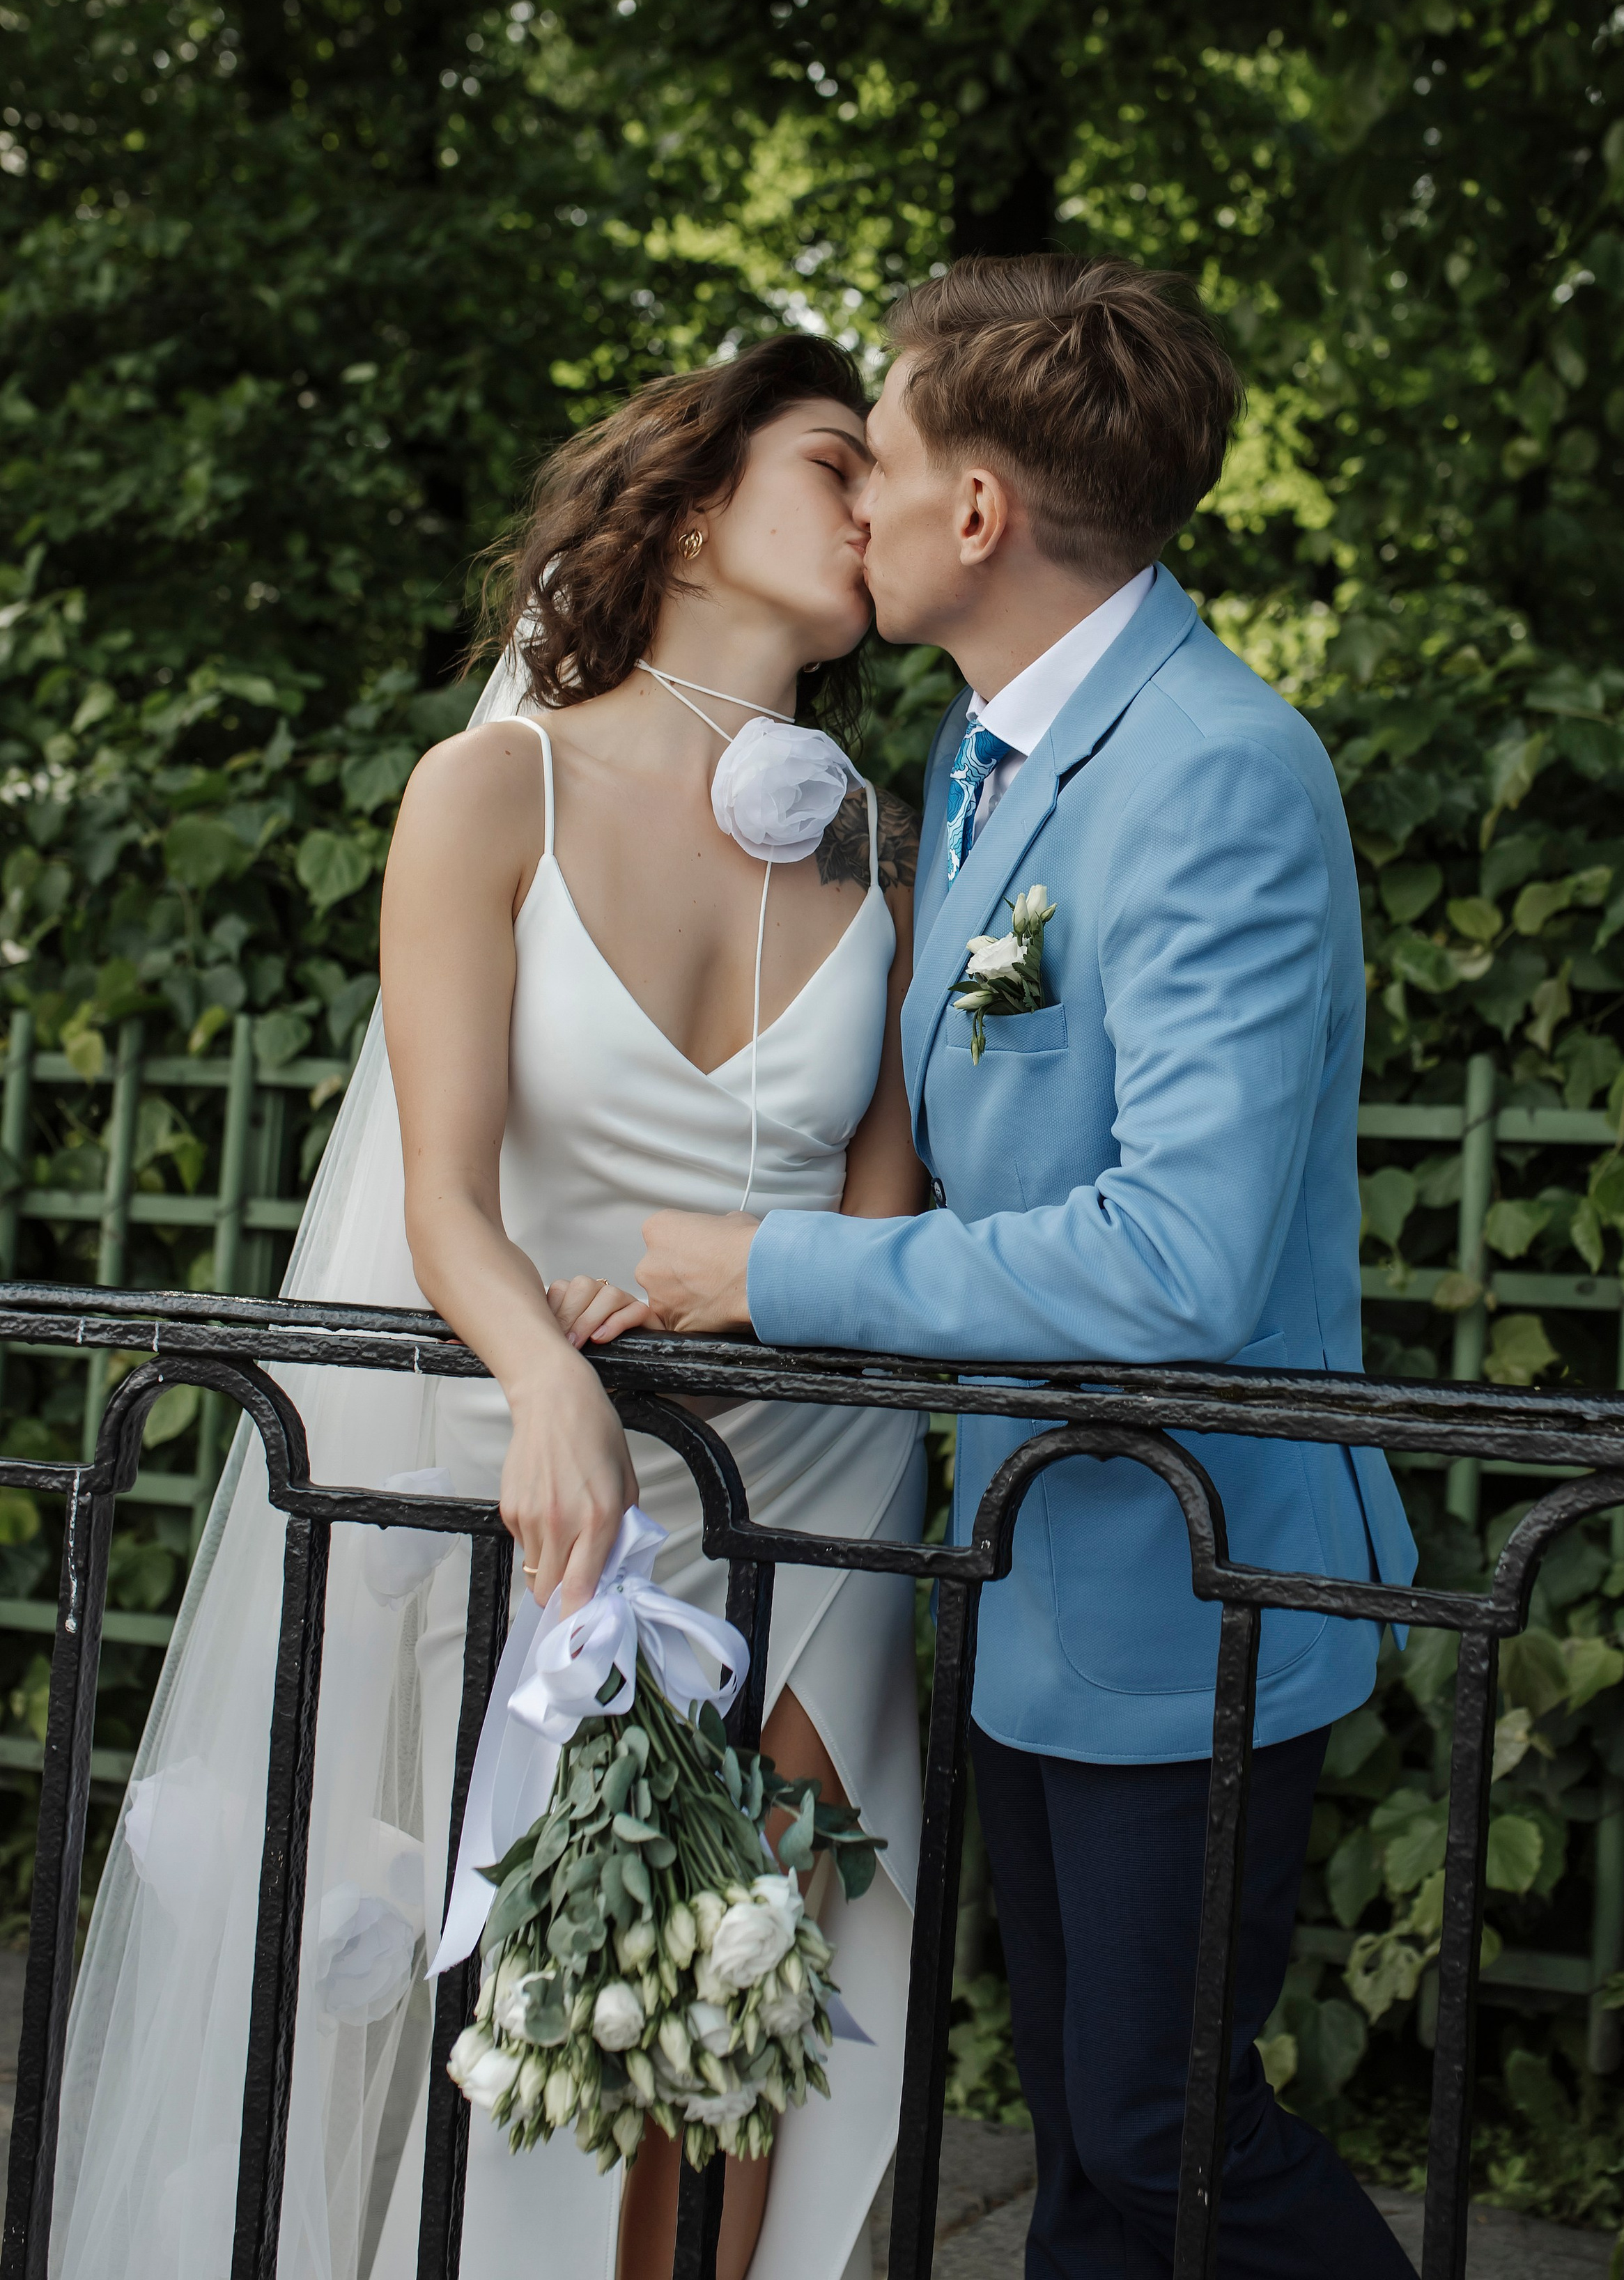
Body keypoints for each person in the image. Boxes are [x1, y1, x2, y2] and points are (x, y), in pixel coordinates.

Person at [49, 336, 929, 2280]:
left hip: (821, 1471)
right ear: (698, 503)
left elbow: (883, 1215)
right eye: (830, 460)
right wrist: (544, 1372)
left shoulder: (877, 834)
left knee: (758, 1993)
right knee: (526, 2011)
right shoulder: (488, 789)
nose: (878, 498)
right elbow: (440, 1193)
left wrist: (755, 1309)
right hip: (563, 1476)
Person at [637, 256, 1422, 2280]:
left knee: (1168, 2136)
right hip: (1034, 1572)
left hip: (1196, 1596)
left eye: (880, 457)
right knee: (1088, 2145)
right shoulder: (987, 762)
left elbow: (1177, 1265)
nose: (861, 500)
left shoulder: (1218, 771)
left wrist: (772, 1275)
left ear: (978, 514)